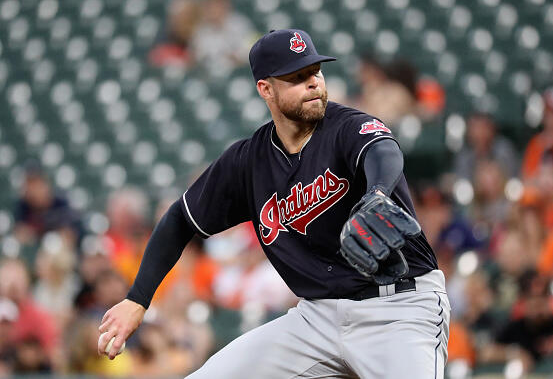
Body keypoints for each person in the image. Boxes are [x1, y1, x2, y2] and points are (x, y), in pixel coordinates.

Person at [98, 29, 450, 378]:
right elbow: (179, 219)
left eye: (315, 71)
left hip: (399, 308)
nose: (313, 83)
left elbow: (382, 150)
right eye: (297, 77)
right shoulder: (248, 162)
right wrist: (137, 299)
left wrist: (376, 194)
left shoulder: (348, 126)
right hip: (317, 319)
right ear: (265, 89)